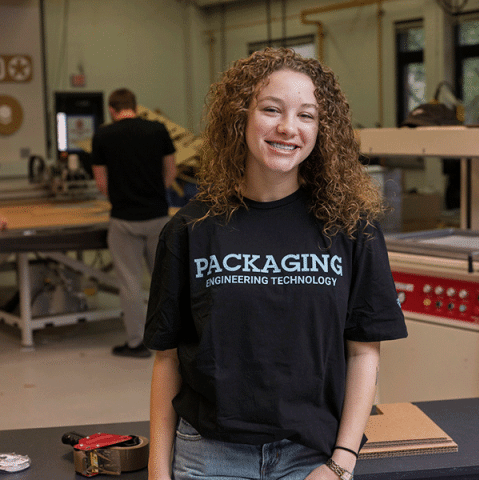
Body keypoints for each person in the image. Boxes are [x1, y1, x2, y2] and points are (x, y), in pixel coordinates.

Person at [144, 48, 407, 479]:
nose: (288, 128)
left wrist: (341, 463)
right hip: (210, 457)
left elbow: (364, 354)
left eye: (307, 115)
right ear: (240, 117)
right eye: (271, 109)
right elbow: (167, 360)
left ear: (322, 130)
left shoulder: (351, 229)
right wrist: (159, 472)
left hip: (312, 455)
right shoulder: (192, 229)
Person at [91, 88, 177, 358]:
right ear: (136, 107)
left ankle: (136, 343)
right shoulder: (158, 130)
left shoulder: (103, 135)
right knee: (165, 280)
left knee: (129, 283)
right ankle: (173, 340)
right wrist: (154, 194)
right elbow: (171, 171)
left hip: (124, 220)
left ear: (112, 110)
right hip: (158, 218)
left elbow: (101, 183)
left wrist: (121, 195)